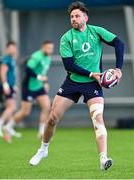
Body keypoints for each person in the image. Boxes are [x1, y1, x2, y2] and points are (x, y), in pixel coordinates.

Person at [29, 2, 124, 170]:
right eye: (71, 16)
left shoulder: (96, 31)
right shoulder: (66, 38)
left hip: (93, 85)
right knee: (52, 118)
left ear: (85, 17)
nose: (74, 18)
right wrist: (91, 73)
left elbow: (119, 44)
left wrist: (118, 69)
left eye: (77, 15)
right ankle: (43, 149)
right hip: (72, 82)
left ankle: (103, 158)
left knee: (97, 118)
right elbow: (69, 65)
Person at [4, 41, 54, 142]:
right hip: (29, 86)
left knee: (46, 107)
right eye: (47, 48)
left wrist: (45, 83)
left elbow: (43, 72)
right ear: (42, 47)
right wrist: (39, 77)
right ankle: (8, 127)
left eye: (51, 48)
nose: (49, 50)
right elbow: (28, 69)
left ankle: (41, 132)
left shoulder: (48, 58)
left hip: (39, 86)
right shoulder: (36, 56)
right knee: (25, 112)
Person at [0, 41, 18, 138]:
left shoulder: (11, 59)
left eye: (14, 48)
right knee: (11, 107)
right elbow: (2, 73)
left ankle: (8, 127)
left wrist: (14, 85)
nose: (13, 50)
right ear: (7, 49)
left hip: (11, 86)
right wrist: (5, 85)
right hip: (6, 87)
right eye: (11, 48)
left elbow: (11, 74)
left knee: (11, 107)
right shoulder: (6, 59)